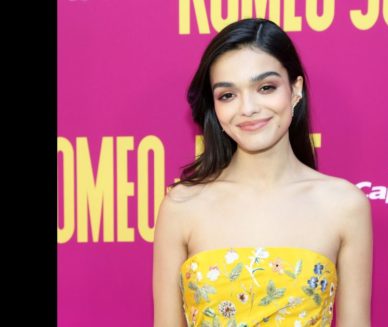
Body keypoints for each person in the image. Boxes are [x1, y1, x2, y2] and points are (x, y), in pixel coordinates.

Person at [153, 18, 372, 327]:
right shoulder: (182, 206)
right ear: (215, 107)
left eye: (265, 87)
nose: (248, 108)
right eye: (228, 95)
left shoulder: (344, 205)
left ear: (295, 89)